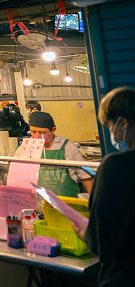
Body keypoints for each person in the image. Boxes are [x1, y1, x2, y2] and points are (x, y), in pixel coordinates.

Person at [73, 87, 135, 287]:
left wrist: (85, 233)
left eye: (109, 126)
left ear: (123, 123)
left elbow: (103, 242)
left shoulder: (116, 166)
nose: (111, 133)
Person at [14, 111, 93, 196]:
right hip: (37, 204)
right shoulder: (25, 147)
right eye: (33, 132)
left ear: (53, 130)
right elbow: (17, 176)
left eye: (41, 132)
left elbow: (85, 177)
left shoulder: (68, 147)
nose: (37, 136)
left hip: (67, 204)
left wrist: (95, 201)